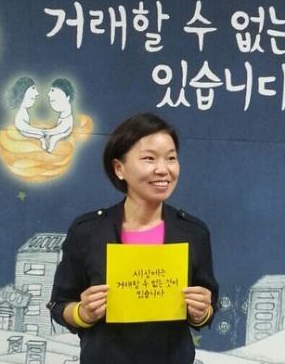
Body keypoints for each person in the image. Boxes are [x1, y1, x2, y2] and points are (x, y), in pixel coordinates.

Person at [48, 112, 219, 363]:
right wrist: (83, 313)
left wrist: (202, 311)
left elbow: (209, 304)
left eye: (171, 158)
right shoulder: (88, 231)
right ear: (119, 168)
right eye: (149, 158)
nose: (163, 169)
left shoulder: (193, 232)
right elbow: (60, 305)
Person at [7, 76, 45, 149]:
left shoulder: (25, 112)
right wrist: (41, 132)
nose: (36, 93)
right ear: (23, 92)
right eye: (33, 88)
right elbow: (23, 128)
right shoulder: (20, 115)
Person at [42, 78, 75, 153]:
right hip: (59, 129)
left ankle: (49, 151)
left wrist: (46, 132)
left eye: (52, 91)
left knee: (53, 138)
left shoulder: (67, 119)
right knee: (49, 137)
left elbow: (60, 130)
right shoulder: (64, 116)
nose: (48, 94)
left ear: (67, 97)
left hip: (64, 132)